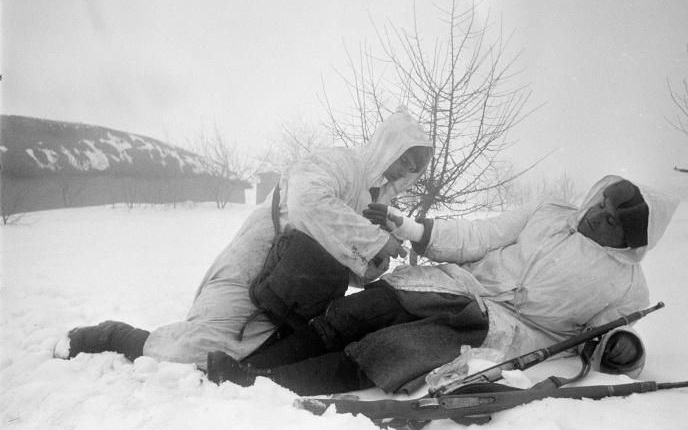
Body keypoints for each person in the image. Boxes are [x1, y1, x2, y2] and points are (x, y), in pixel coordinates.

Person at [206, 175, 679, 396]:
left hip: (504, 331)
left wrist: (622, 348)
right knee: (361, 310)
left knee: (388, 348)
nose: (599, 215)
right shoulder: (550, 213)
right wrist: (412, 230)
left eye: (614, 222)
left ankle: (262, 385)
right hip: (458, 285)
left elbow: (614, 336)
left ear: (631, 240)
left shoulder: (626, 283)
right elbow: (479, 235)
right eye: (603, 205)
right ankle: (250, 364)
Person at [54, 108, 433, 369]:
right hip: (253, 265)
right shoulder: (339, 163)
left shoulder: (374, 201)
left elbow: (346, 264)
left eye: (414, 168)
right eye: (404, 158)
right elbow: (306, 203)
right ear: (388, 146)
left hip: (290, 292)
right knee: (196, 352)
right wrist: (372, 241)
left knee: (243, 360)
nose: (406, 170)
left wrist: (376, 263)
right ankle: (105, 335)